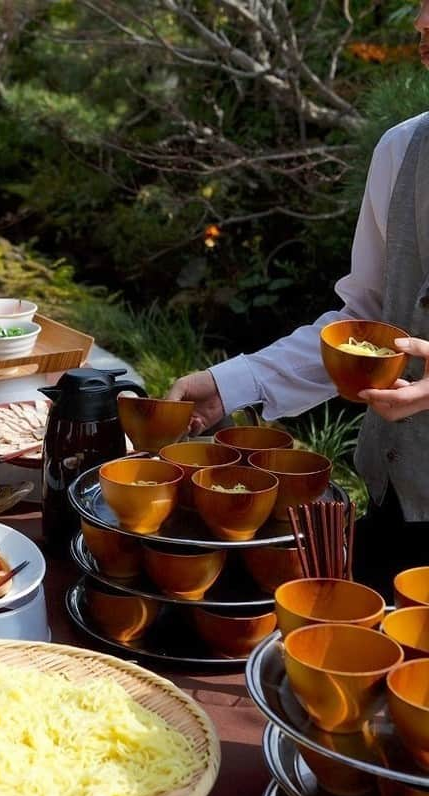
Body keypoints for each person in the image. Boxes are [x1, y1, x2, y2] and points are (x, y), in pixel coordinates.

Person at [167, 0, 429, 601]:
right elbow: (361, 325)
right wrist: (232, 381)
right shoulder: (400, 151)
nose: (419, 22)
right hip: (393, 510)